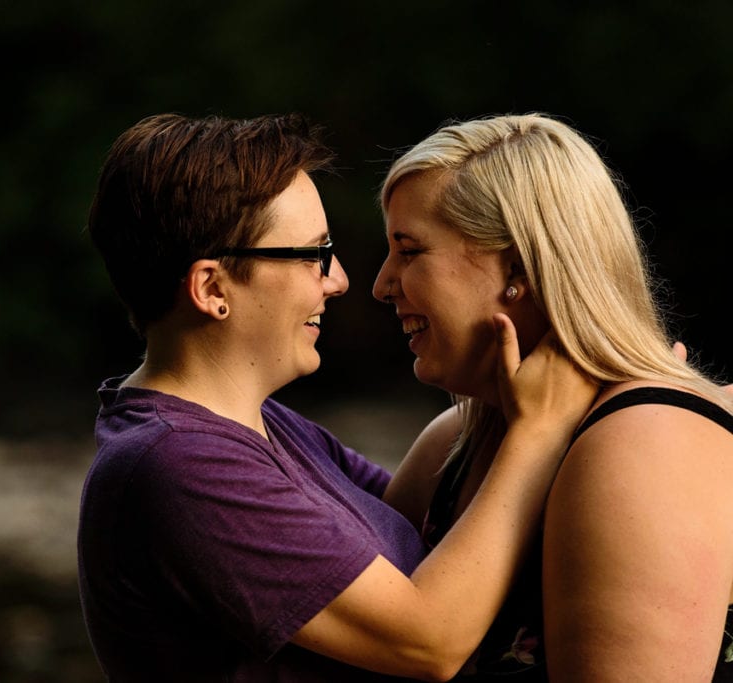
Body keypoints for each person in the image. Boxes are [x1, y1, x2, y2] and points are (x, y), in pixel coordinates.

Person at [77, 112, 597, 682]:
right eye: (312, 255)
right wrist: (536, 431)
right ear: (212, 288)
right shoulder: (178, 466)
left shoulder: (263, 428)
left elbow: (438, 529)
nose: (340, 280)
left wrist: (664, 414)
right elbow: (429, 641)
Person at [373, 112, 733, 681]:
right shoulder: (450, 446)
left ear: (516, 266)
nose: (382, 285)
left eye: (409, 251)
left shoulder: (644, 443)